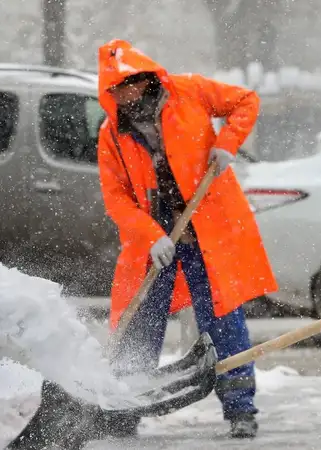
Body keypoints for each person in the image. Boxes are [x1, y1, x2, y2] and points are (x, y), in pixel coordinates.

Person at [94, 39, 278, 439]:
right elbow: (117, 199)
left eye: (128, 84)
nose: (123, 94)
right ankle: (126, 408)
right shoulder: (113, 134)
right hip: (153, 239)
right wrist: (151, 234)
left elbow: (245, 101)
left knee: (222, 319)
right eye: (115, 89)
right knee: (140, 321)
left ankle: (240, 408)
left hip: (206, 226)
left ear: (145, 79)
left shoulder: (189, 92)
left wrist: (227, 144)